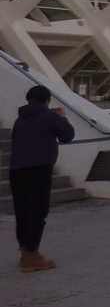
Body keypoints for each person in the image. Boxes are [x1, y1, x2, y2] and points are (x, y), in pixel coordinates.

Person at [8, 84, 75, 273]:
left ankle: (25, 251)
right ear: (47, 100)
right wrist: (61, 117)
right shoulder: (50, 116)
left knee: (23, 213)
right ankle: (31, 255)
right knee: (38, 212)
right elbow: (68, 136)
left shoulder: (19, 119)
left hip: (16, 170)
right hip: (39, 170)